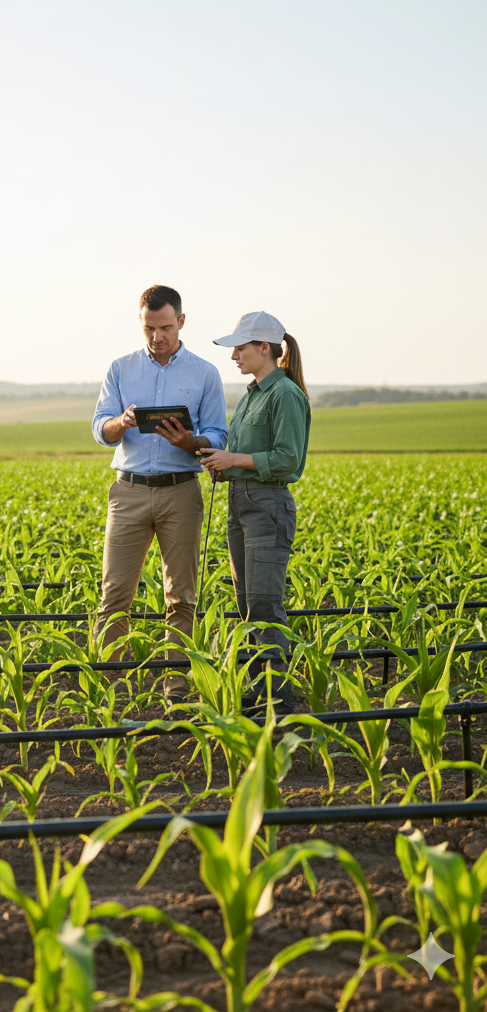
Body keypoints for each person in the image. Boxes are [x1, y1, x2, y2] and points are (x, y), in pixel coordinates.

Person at [92, 284, 228, 696]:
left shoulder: (205, 374)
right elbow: (100, 429)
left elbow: (218, 437)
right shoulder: (120, 368)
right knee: (115, 592)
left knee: (181, 595)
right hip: (129, 490)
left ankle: (176, 686)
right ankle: (108, 687)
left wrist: (189, 440)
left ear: (181, 322)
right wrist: (122, 422)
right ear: (142, 323)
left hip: (180, 491)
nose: (157, 336)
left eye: (165, 326)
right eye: (149, 328)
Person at [199, 311, 311, 714]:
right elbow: (245, 455)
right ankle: (256, 689)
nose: (234, 357)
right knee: (247, 604)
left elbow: (287, 459)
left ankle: (278, 698)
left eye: (240, 348)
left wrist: (233, 458)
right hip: (241, 503)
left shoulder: (285, 394)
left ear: (265, 349)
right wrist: (221, 463)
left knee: (265, 604)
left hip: (267, 505)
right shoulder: (253, 393)